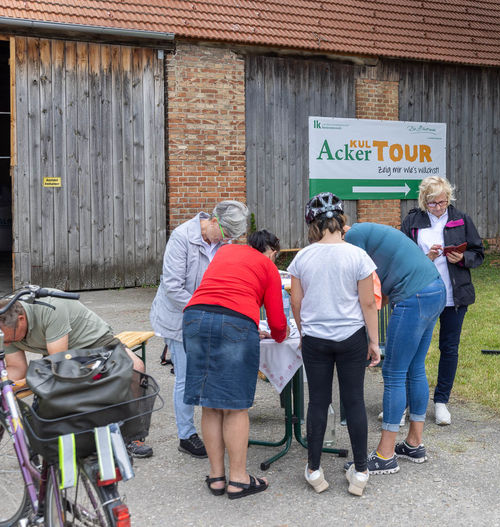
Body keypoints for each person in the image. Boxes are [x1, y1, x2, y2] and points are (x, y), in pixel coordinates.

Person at [182, 230, 288, 500]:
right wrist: (276, 336)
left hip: (194, 317)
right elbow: (277, 322)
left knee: (210, 402)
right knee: (235, 405)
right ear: (272, 251)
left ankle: (217, 477)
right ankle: (239, 479)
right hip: (235, 322)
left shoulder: (226, 251)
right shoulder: (269, 267)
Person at [287, 193, 380, 496]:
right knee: (354, 401)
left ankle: (314, 470)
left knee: (317, 401)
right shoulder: (357, 256)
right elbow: (368, 302)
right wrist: (374, 342)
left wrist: (303, 334)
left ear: (313, 224)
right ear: (341, 221)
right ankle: (362, 473)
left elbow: (297, 303)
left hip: (316, 338)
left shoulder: (302, 257)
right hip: (351, 336)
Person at [149, 200, 249, 459]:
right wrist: (202, 307)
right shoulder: (182, 238)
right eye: (226, 234)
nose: (227, 240)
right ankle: (186, 435)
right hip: (180, 317)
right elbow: (172, 287)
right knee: (185, 376)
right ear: (213, 221)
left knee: (209, 373)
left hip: (207, 316)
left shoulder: (221, 242)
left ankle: (217, 428)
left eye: (232, 237)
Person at [343, 221, 445, 475]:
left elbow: (363, 288)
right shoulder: (368, 232)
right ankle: (414, 443)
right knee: (414, 368)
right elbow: (381, 290)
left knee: (394, 372)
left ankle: (385, 454)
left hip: (414, 296)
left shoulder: (353, 238)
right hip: (435, 288)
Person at [0, 295, 153, 458]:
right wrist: (6, 385)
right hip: (60, 352)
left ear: (21, 319)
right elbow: (17, 367)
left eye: (9, 339)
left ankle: (132, 437)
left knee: (135, 367)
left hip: (94, 341)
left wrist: (25, 383)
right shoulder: (6, 329)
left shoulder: (50, 309)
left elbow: (59, 363)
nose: (6, 344)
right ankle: (69, 437)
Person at [401, 176, 484, 425]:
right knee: (413, 350)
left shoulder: (461, 219)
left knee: (449, 348)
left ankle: (441, 402)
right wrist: (426, 256)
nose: (438, 207)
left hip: (453, 295)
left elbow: (478, 253)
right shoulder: (413, 221)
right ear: (423, 201)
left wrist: (462, 259)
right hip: (420, 293)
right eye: (433, 203)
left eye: (442, 202)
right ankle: (403, 403)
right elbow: (401, 255)